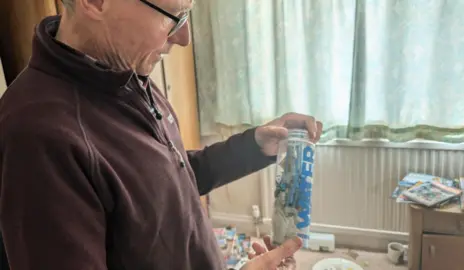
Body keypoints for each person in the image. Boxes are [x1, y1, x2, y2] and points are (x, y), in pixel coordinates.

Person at [0, 0, 322, 269]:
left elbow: (169, 177)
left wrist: (255, 146)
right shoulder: (34, 136)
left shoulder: (125, 72)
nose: (183, 38)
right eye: (174, 16)